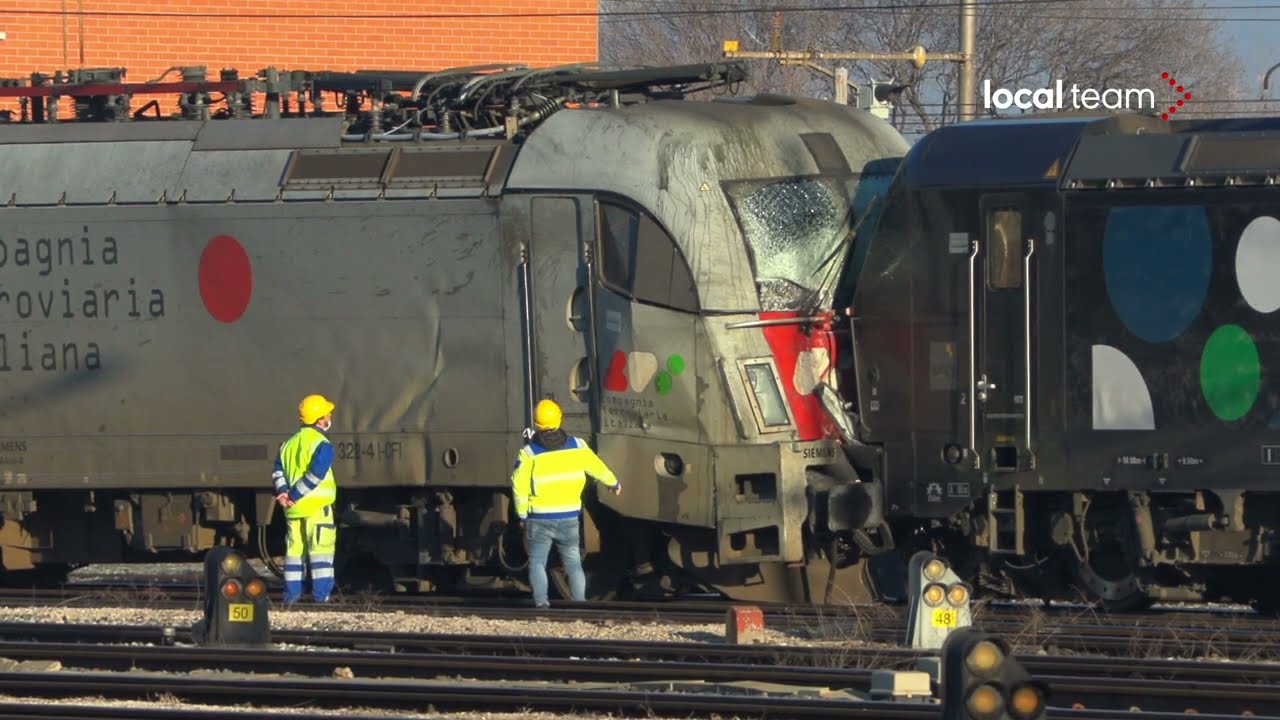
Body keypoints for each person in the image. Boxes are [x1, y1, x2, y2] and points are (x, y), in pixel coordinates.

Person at [510, 398, 621, 607]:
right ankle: (580, 604)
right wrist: (613, 482)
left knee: (537, 562)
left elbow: (519, 485)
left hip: (539, 517)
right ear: (560, 420)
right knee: (573, 562)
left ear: (536, 424)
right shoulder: (577, 446)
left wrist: (522, 514)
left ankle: (542, 604)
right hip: (569, 516)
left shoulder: (529, 453)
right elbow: (596, 466)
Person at [270, 394, 339, 605]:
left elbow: (278, 471)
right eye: (327, 414)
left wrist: (284, 493)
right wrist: (294, 494)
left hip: (293, 510)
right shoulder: (322, 444)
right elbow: (315, 475)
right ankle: (321, 598)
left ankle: (291, 598)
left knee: (294, 553)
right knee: (320, 552)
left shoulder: (288, 444)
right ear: (320, 419)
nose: (330, 417)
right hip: (316, 508)